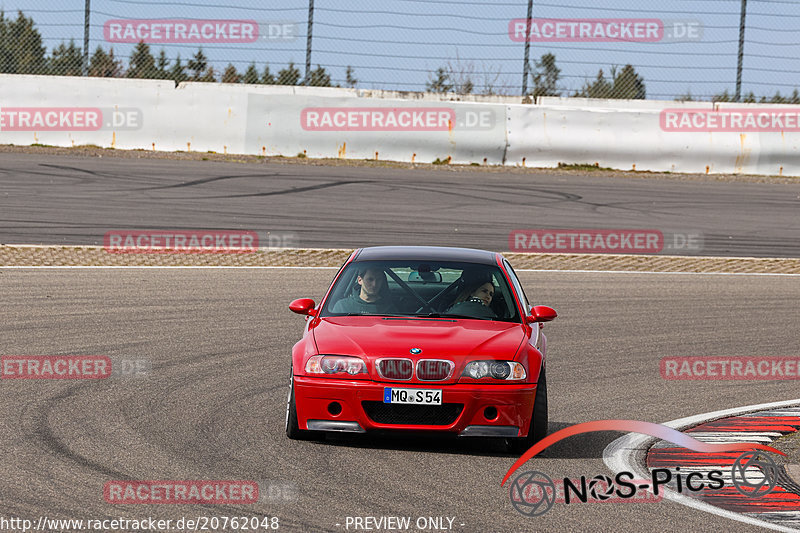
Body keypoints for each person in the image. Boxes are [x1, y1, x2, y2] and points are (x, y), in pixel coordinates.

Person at [331, 265, 398, 315]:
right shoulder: (342, 307)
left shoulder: (389, 309)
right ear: (360, 280)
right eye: (370, 279)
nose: (374, 284)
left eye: (378, 279)